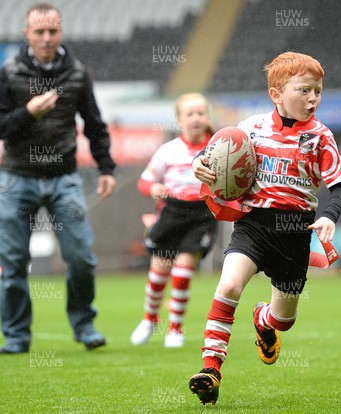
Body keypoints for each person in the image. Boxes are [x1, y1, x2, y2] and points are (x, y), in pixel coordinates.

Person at [188, 51, 341, 405]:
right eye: (304, 90)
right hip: (254, 225)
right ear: (276, 94)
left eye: (318, 92)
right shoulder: (251, 128)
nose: (313, 99)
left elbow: (340, 187)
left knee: (283, 319)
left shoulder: (322, 137)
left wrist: (328, 216)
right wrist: (199, 165)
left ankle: (263, 319)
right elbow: (212, 155)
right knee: (228, 284)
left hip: (295, 234)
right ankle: (211, 370)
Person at [0, 3, 116, 354]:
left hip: (64, 178)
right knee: (14, 262)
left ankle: (84, 326)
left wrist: (106, 168)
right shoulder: (8, 72)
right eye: (39, 31)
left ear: (60, 32)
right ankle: (17, 335)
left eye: (53, 31)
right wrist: (28, 112)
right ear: (27, 34)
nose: (47, 37)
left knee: (81, 257)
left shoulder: (77, 73)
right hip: (17, 177)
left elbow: (95, 125)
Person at [130, 93, 218, 348]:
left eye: (201, 113)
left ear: (208, 117)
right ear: (179, 120)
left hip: (201, 214)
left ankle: (176, 329)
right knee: (159, 271)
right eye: (190, 114)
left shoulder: (216, 149)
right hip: (171, 213)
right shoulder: (168, 150)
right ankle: (149, 319)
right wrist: (153, 189)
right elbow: (144, 181)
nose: (196, 118)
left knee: (182, 272)